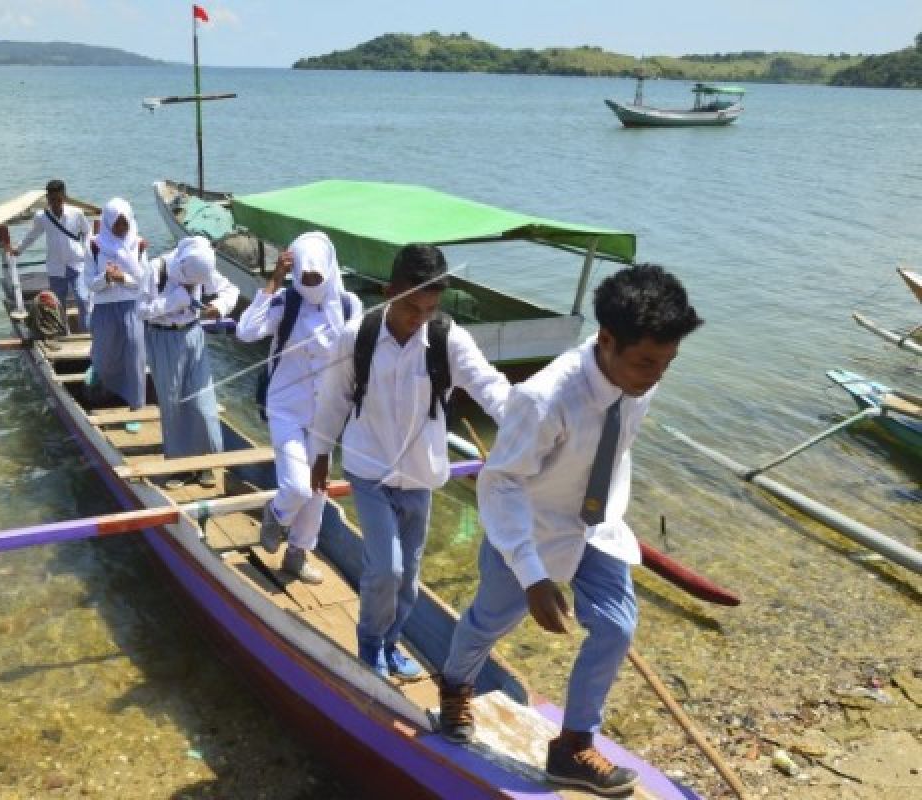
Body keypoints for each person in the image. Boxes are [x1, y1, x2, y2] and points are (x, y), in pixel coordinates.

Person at [437, 263, 703, 796]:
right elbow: (501, 483)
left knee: (615, 627)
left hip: (596, 525)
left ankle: (573, 747)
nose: (657, 375)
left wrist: (602, 505)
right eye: (647, 361)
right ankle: (454, 683)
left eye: (667, 362)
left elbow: (616, 445)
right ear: (606, 340)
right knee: (490, 623)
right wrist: (534, 576)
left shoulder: (637, 380)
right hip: (528, 531)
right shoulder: (544, 398)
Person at [308, 244, 510, 681]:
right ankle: (368, 642)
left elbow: (488, 384)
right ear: (389, 291)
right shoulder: (356, 336)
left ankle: (392, 640)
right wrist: (319, 453)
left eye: (429, 308)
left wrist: (526, 424)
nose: (418, 318)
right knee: (386, 568)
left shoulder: (446, 339)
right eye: (410, 307)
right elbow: (333, 398)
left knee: (409, 576)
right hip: (369, 469)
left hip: (420, 474)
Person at [236, 231, 360, 584]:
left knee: (318, 492)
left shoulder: (349, 306)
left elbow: (357, 352)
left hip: (325, 414)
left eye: (316, 278)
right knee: (297, 488)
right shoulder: (285, 303)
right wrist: (273, 283)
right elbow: (246, 332)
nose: (310, 284)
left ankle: (297, 555)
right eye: (303, 278)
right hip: (286, 409)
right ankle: (275, 514)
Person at [141, 236, 238, 489]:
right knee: (173, 403)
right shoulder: (156, 268)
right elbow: (141, 310)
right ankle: (179, 466)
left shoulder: (202, 265)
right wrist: (176, 300)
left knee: (202, 401)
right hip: (162, 338)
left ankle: (204, 462)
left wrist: (220, 306)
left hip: (193, 335)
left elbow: (230, 290)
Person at [83, 197, 148, 414]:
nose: (121, 228)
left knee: (135, 358)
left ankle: (135, 406)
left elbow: (144, 283)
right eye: (116, 224)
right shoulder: (94, 245)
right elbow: (90, 283)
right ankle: (103, 400)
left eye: (125, 223)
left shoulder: (138, 245)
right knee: (104, 357)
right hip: (104, 309)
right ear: (108, 223)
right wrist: (106, 278)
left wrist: (123, 279)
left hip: (131, 308)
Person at [10, 179, 92, 330]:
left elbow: (87, 231)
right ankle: (62, 334)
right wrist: (19, 249)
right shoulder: (42, 216)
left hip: (76, 263)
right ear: (47, 198)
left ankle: (86, 334)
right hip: (56, 267)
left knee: (83, 298)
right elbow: (32, 235)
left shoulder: (76, 213)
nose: (55, 203)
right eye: (52, 199)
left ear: (64, 197)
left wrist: (87, 248)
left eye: (58, 199)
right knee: (58, 304)